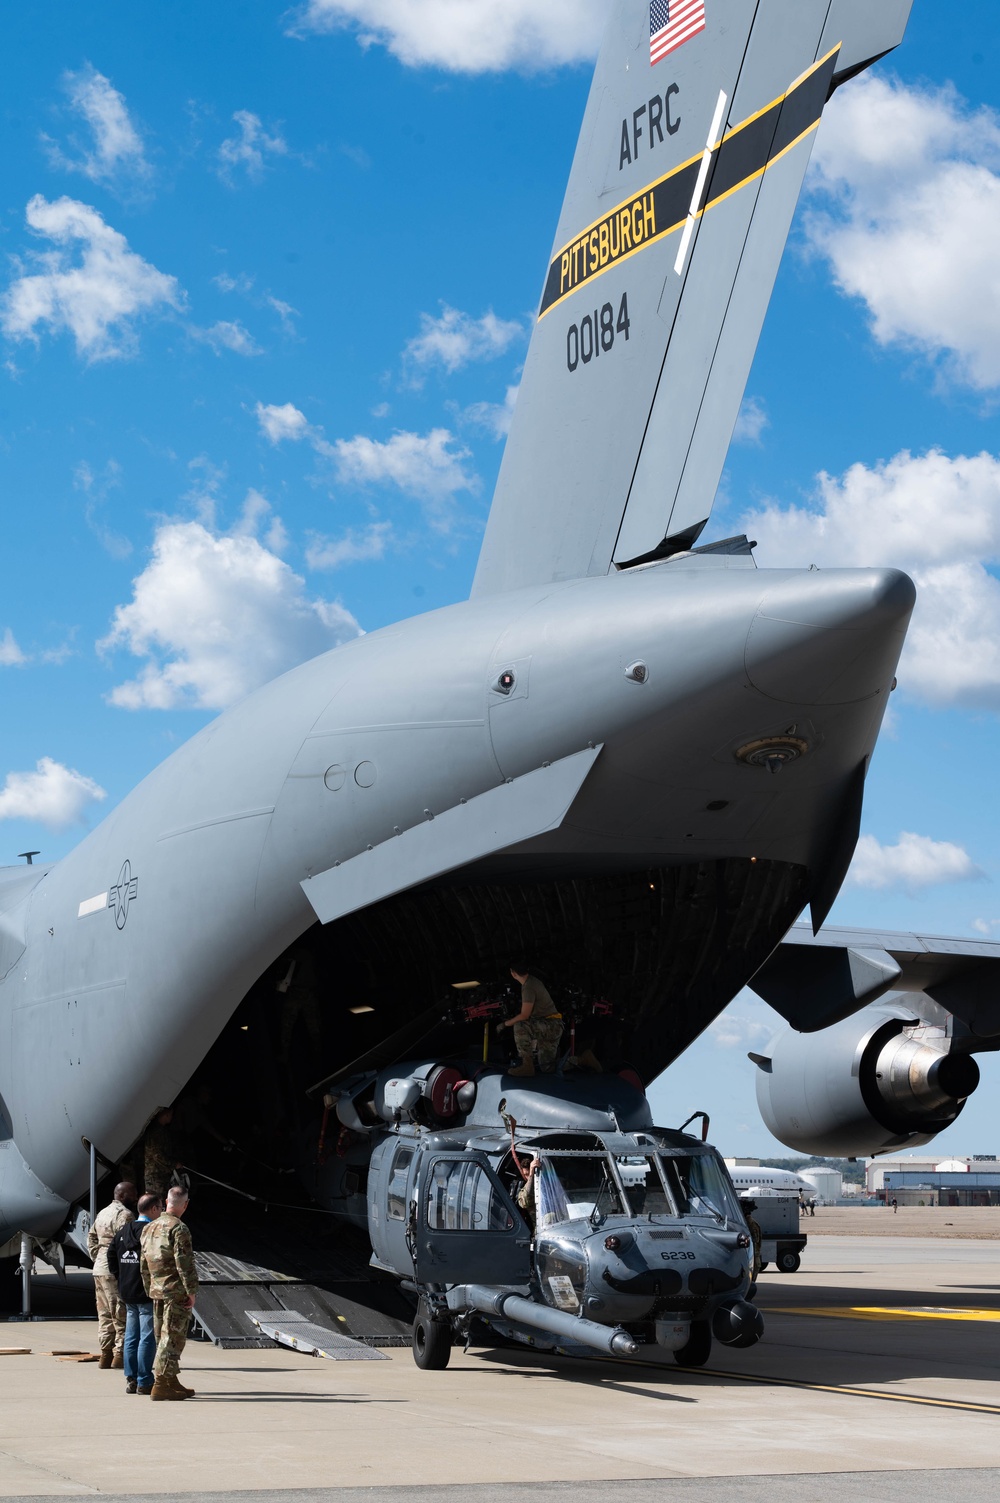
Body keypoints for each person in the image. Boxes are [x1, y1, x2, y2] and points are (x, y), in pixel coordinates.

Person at [141, 1184, 199, 1401]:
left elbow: (143, 1262)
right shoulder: (179, 1228)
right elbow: (184, 1263)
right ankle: (161, 1384)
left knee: (161, 1337)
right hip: (175, 1292)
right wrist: (191, 1290)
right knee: (172, 1338)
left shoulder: (150, 1227)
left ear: (166, 1202)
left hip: (157, 1290)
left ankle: (171, 1380)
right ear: (185, 1204)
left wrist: (149, 1287)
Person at [107, 1193, 161, 1395]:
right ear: (154, 1209)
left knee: (131, 1335)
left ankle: (130, 1378)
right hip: (146, 1291)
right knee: (147, 1337)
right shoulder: (150, 1232)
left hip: (127, 1290)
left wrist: (120, 1277)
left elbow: (111, 1255)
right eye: (160, 1208)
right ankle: (144, 1380)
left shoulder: (123, 1231)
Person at [86, 1181, 137, 1369]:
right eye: (133, 1194)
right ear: (122, 1196)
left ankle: (105, 1354)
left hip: (99, 1268)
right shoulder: (126, 1215)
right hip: (113, 1270)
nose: (136, 1197)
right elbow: (127, 1243)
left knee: (104, 1314)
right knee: (120, 1314)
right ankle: (119, 1355)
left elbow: (91, 1237)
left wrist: (97, 1256)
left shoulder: (102, 1213)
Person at [498, 966, 564, 1076]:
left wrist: (504, 1024)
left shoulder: (529, 986)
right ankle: (583, 1060)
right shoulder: (532, 981)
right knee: (547, 1067)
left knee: (520, 1026)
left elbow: (524, 1015)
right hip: (552, 1026)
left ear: (513, 973)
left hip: (550, 1026)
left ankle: (527, 1066)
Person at [144, 1107, 182, 1198]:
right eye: (171, 1114)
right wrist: (174, 1164)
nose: (172, 1117)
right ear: (166, 1114)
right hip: (155, 1176)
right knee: (156, 1202)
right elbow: (157, 1155)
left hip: (161, 1174)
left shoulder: (161, 1130)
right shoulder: (156, 1132)